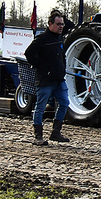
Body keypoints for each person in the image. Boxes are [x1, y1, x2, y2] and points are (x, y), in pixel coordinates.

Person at [25, 10, 70, 145]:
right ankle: (38, 136)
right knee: (41, 107)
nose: (61, 26)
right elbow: (29, 53)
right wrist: (40, 66)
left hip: (59, 80)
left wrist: (62, 68)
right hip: (45, 80)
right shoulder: (42, 39)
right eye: (58, 24)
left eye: (62, 24)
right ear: (50, 24)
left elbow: (61, 56)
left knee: (65, 103)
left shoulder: (59, 39)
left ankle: (55, 133)